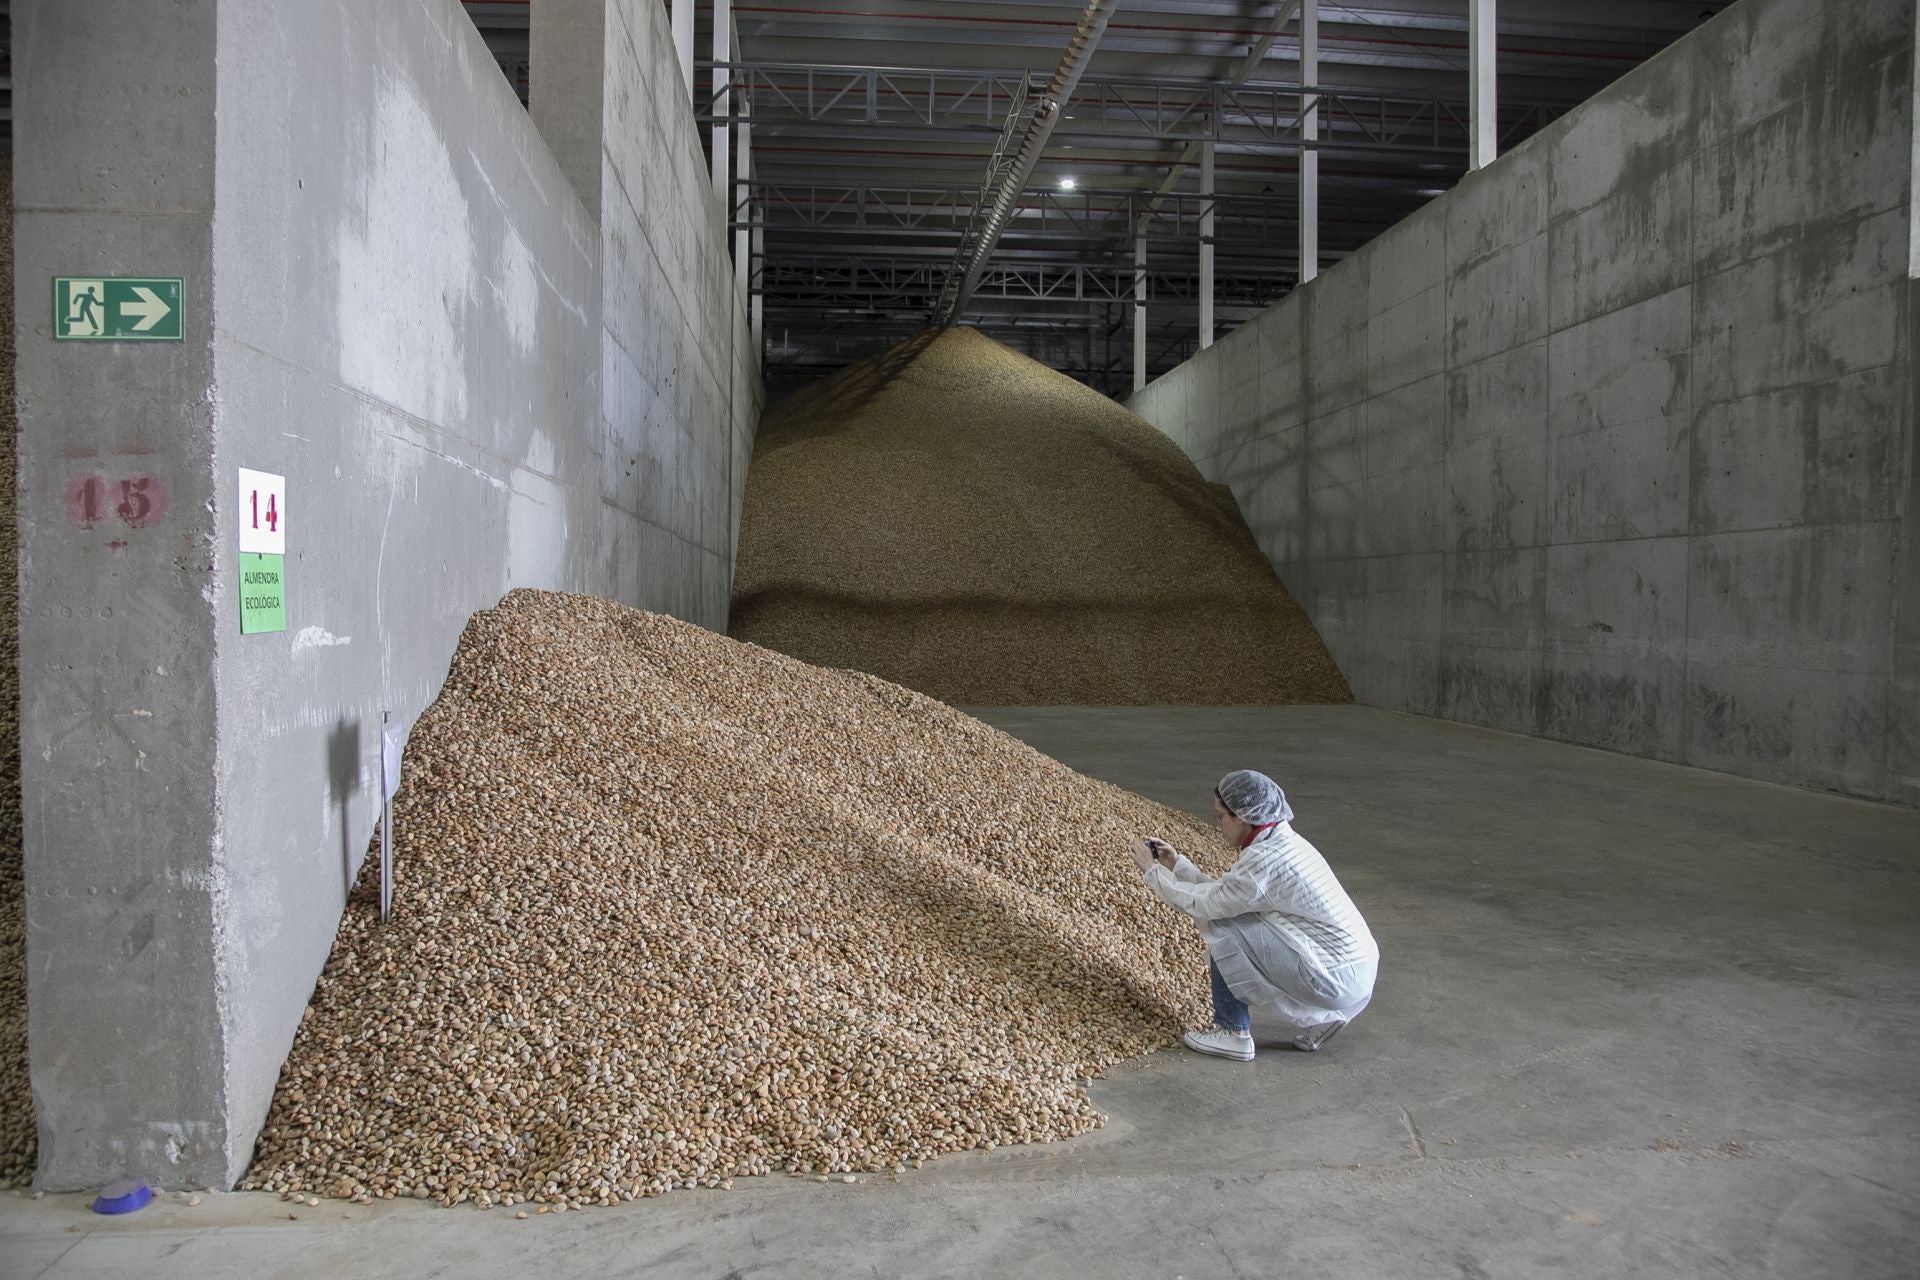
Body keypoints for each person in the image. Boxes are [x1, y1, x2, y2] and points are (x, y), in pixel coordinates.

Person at [1128, 769, 1377, 1060]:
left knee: (1222, 923)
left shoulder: (1265, 861)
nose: (1218, 823)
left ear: (1243, 816)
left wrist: (1153, 872)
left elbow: (1208, 905)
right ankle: (1324, 1018)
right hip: (1355, 972)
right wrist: (1177, 864)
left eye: (1221, 816)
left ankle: (1232, 1033)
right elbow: (1228, 893)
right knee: (1233, 914)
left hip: (1330, 978)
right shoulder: (1283, 841)